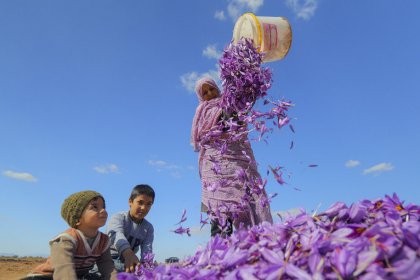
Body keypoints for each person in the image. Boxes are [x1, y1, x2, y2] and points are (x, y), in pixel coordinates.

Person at [191, 77, 273, 237]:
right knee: (219, 213)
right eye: (205, 92)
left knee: (248, 204)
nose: (209, 94)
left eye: (211, 89)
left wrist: (247, 84)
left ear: (217, 88)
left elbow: (237, 117)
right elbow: (203, 137)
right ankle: (220, 254)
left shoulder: (230, 103)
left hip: (238, 163)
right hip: (214, 169)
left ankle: (257, 246)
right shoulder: (201, 112)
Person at [24, 190, 116, 280]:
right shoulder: (66, 239)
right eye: (95, 207)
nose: (103, 210)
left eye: (103, 207)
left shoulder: (104, 241)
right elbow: (64, 269)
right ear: (77, 218)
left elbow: (107, 266)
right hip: (47, 276)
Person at [106, 184, 155, 273]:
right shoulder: (118, 217)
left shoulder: (148, 228)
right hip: (107, 259)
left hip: (128, 262)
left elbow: (147, 250)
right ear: (130, 202)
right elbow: (116, 235)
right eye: (140, 202)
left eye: (148, 204)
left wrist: (147, 265)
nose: (143, 208)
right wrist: (128, 253)